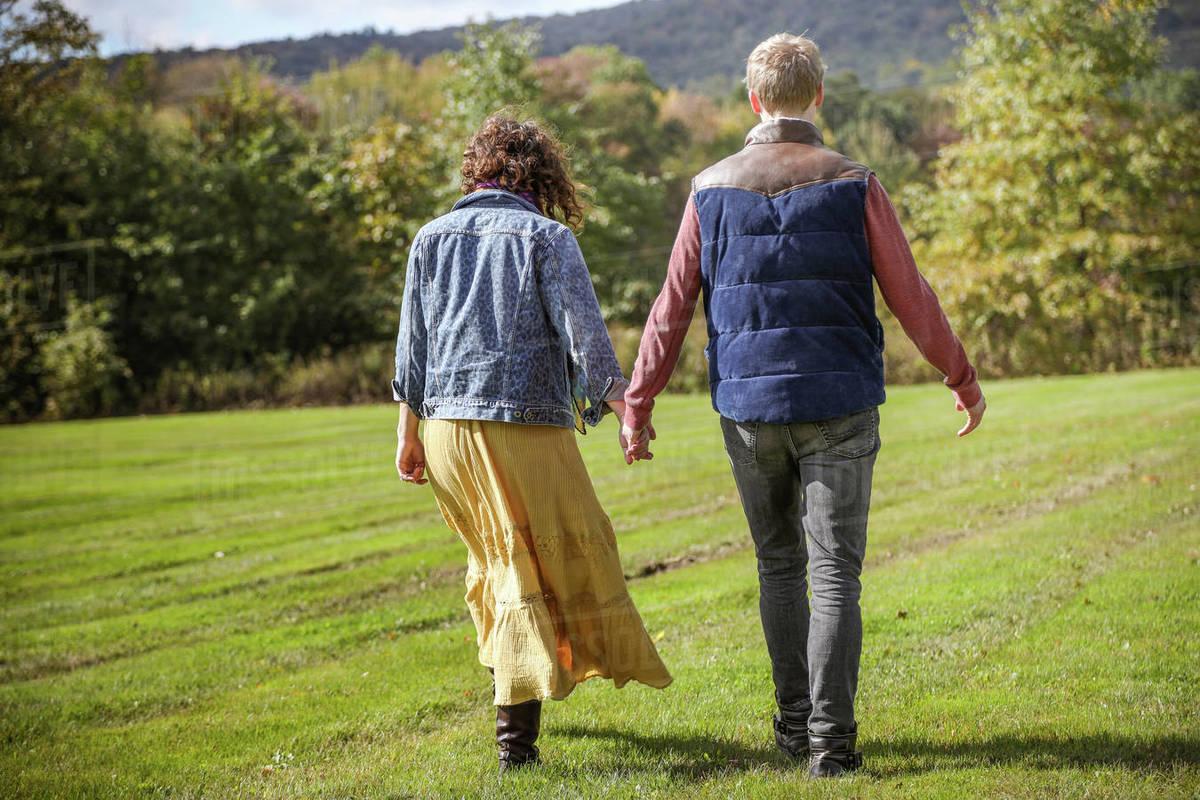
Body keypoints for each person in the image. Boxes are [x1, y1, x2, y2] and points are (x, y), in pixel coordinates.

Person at [620, 33, 987, 778]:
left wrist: (639, 402)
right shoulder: (855, 181)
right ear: (818, 95)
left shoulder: (708, 188)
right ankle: (831, 745)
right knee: (835, 573)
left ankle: (794, 727)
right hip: (840, 400)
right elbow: (910, 295)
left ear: (754, 99)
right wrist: (961, 375)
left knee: (779, 567)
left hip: (747, 406)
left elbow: (671, 307)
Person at [391, 115, 672, 774]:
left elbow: (413, 348)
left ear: (477, 170)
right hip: (520, 428)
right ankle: (515, 747)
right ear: (541, 176)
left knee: (499, 565)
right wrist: (627, 412)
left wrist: (407, 434)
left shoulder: (429, 237)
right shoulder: (547, 237)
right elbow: (585, 337)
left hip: (445, 433)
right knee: (538, 566)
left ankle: (518, 717)